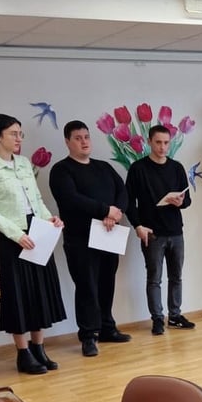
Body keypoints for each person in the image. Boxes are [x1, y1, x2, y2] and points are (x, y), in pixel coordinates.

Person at [0, 114, 66, 375]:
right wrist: (16, 235)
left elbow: (36, 199)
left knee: (40, 291)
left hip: (37, 231)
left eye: (20, 133)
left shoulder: (24, 163)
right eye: (13, 133)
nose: (19, 138)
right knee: (19, 294)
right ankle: (23, 354)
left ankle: (39, 348)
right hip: (12, 238)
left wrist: (50, 218)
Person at [49, 120, 131, 358]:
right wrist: (104, 210)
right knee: (87, 287)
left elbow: (122, 191)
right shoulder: (61, 170)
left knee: (107, 283)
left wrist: (115, 213)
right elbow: (71, 199)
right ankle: (88, 336)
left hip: (108, 234)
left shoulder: (103, 167)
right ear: (67, 142)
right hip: (80, 240)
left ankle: (107, 328)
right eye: (78, 138)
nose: (84, 142)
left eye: (86, 137)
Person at [125, 125, 194, 335]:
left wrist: (180, 202)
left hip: (176, 231)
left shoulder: (176, 167)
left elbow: (187, 200)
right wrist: (138, 226)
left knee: (176, 276)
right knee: (154, 278)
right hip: (152, 232)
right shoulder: (138, 169)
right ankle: (157, 318)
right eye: (158, 142)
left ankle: (175, 316)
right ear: (149, 142)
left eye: (166, 143)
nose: (162, 147)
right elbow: (129, 202)